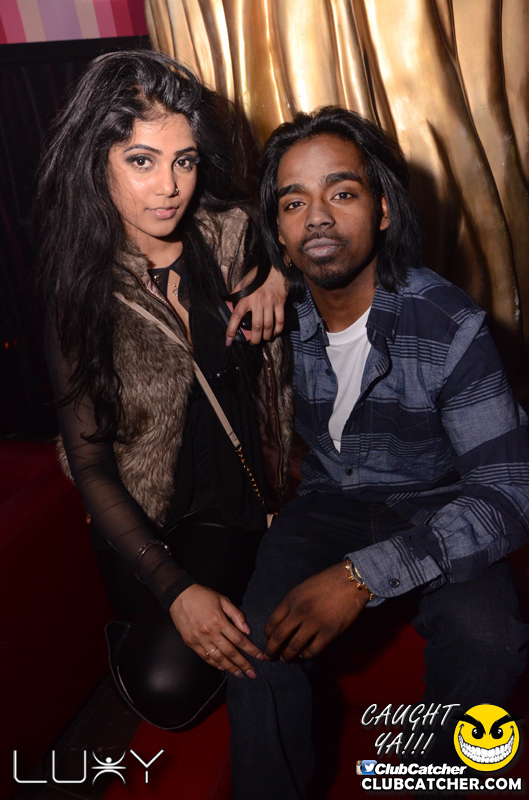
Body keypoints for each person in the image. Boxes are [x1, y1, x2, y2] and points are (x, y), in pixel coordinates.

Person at [226, 107, 529, 799]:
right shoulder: (273, 315)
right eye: (294, 203)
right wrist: (263, 270)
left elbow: (508, 490)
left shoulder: (447, 322)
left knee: (487, 639)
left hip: (440, 503)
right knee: (257, 643)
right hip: (326, 502)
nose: (318, 218)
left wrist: (360, 578)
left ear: (383, 209)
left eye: (342, 192)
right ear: (278, 230)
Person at [37, 49, 293, 731]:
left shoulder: (230, 237)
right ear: (98, 164)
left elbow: (318, 233)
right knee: (162, 688)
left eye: (184, 160)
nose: (169, 186)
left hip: (226, 502)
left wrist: (280, 276)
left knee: (170, 685)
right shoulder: (80, 294)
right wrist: (174, 588)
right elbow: (89, 464)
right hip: (136, 519)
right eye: (142, 161)